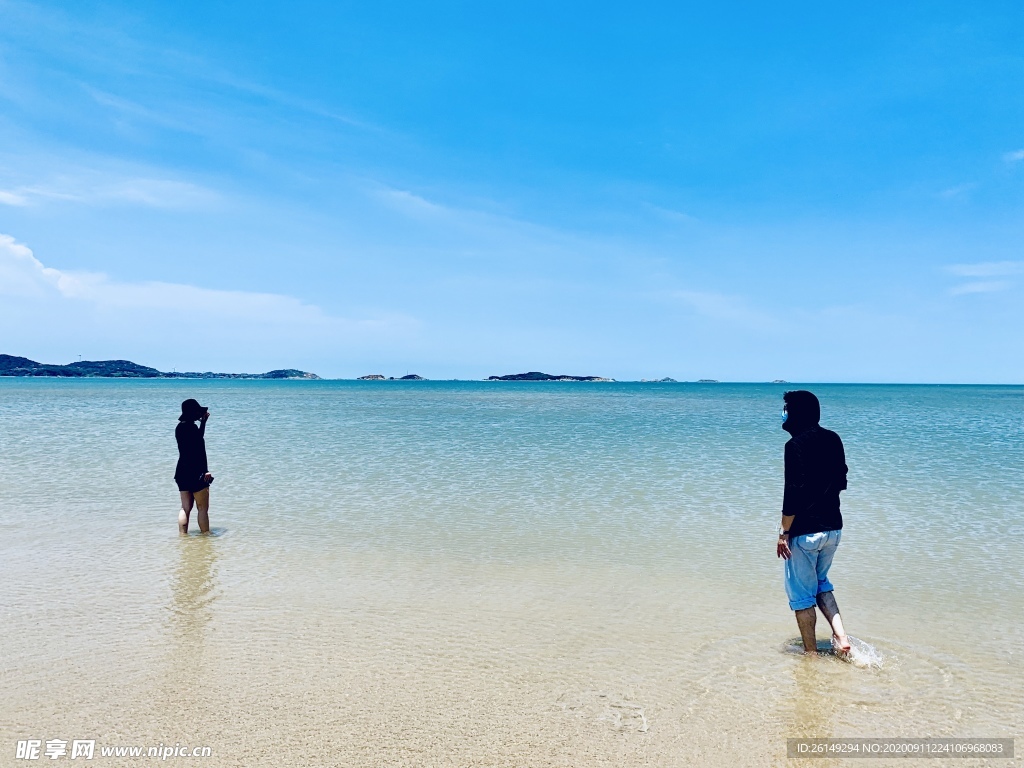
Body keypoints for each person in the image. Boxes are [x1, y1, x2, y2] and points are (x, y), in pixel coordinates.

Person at [775, 390, 851, 656]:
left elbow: (793, 491)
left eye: (785, 409)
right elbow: (842, 481)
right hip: (834, 528)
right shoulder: (833, 439)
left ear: (796, 414)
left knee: (800, 596)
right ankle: (841, 637)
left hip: (805, 533)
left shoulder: (794, 446)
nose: (782, 414)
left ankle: (810, 654)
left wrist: (784, 532)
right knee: (821, 583)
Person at [175, 398, 214, 534]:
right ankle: (206, 537)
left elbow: (197, 439)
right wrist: (205, 471)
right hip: (196, 471)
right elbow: (199, 450)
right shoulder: (192, 428)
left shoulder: (179, 428)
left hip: (181, 471)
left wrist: (202, 423)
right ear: (193, 412)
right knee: (202, 508)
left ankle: (183, 536)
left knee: (185, 508)